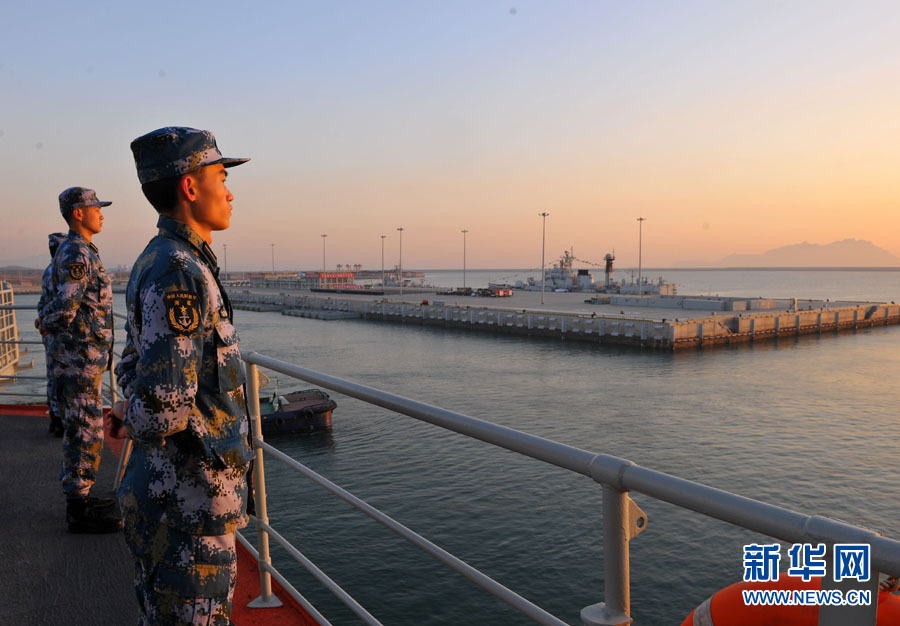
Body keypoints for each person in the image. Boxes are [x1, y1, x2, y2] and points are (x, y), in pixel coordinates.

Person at [112, 126, 251, 625]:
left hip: (178, 501)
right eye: (219, 175)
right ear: (190, 187)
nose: (230, 191)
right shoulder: (180, 272)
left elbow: (131, 364)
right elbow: (166, 410)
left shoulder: (162, 259)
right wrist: (133, 412)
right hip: (188, 507)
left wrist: (127, 404)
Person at [40, 187, 120, 533]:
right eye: (95, 208)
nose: (101, 213)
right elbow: (64, 310)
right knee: (84, 431)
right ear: (78, 213)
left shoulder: (80, 250)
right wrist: (46, 322)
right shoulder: (77, 254)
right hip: (78, 360)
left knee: (83, 429)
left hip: (82, 358)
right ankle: (79, 507)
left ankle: (83, 496)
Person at [35, 232, 67, 437]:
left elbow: (42, 302)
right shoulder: (60, 272)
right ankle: (60, 420)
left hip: (48, 332)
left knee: (51, 374)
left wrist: (41, 321)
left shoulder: (48, 271)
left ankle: (55, 419)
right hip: (58, 333)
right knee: (62, 376)